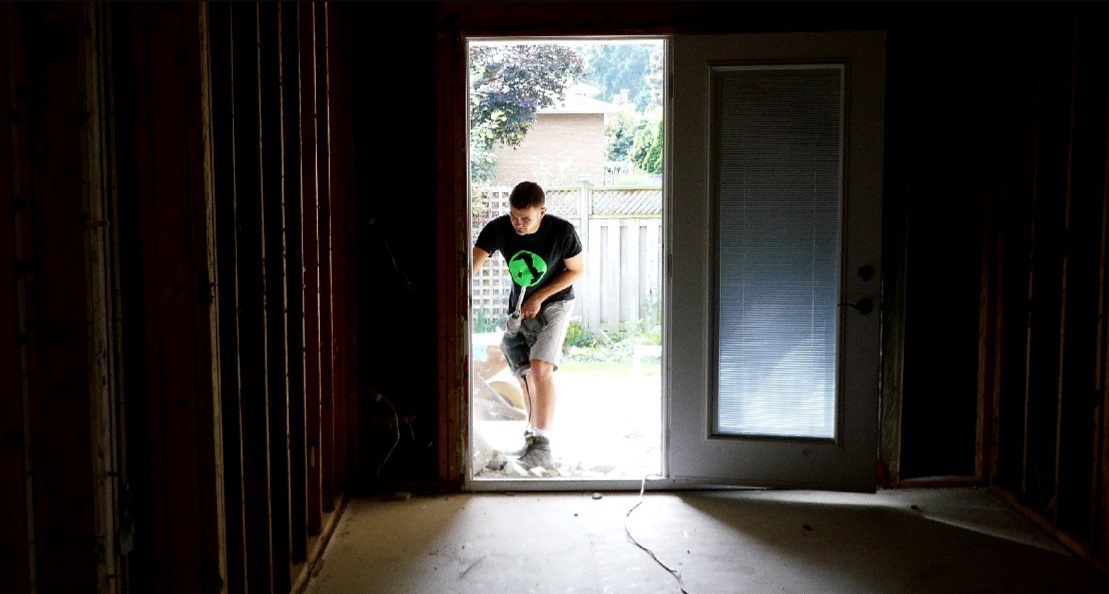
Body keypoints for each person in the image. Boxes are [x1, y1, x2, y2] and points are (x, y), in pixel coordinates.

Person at [472, 180, 584, 471]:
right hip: (520, 307)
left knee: (540, 368)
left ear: (541, 213)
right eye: (514, 217)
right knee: (524, 375)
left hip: (556, 303)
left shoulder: (562, 232)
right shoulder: (499, 229)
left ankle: (543, 446)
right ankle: (532, 440)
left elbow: (577, 270)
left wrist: (539, 296)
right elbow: (471, 266)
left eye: (525, 218)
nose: (518, 224)